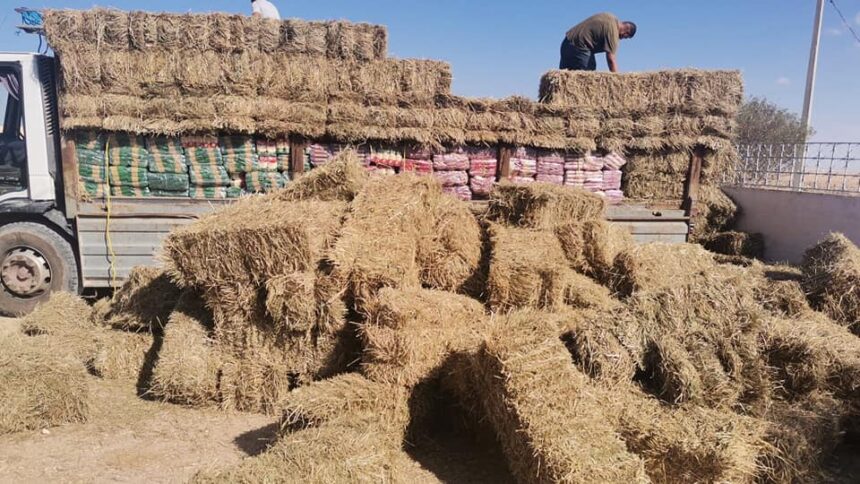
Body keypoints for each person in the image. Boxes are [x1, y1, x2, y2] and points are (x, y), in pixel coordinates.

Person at [560, 13, 636, 72]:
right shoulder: (613, 31)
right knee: (589, 75)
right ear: (626, 33)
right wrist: (618, 81)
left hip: (566, 43)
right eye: (625, 37)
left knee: (564, 78)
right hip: (579, 47)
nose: (621, 38)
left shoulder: (610, 17)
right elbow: (611, 60)